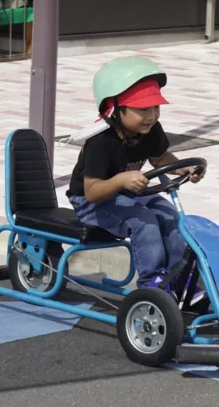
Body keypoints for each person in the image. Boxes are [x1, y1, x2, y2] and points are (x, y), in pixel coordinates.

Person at [66, 56, 205, 301]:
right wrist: (121, 180)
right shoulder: (101, 141)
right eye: (143, 109)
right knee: (144, 222)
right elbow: (92, 192)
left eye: (156, 107)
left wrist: (183, 168)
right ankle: (152, 284)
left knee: (170, 215)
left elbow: (160, 158)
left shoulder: (149, 129)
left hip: (128, 194)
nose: (151, 116)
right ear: (114, 109)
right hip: (92, 203)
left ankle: (179, 278)